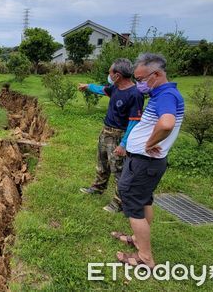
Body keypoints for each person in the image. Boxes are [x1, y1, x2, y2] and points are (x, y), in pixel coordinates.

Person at [112, 53, 184, 268]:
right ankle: (137, 239)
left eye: (141, 80)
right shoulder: (163, 94)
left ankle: (145, 258)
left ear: (156, 75)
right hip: (146, 163)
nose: (138, 84)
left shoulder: (166, 96)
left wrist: (148, 143)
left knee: (133, 203)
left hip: (144, 162)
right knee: (144, 200)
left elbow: (166, 124)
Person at [78, 58, 144, 213]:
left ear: (118, 75)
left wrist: (123, 144)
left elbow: (134, 122)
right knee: (102, 163)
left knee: (119, 169)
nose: (109, 75)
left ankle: (118, 202)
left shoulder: (135, 94)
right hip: (106, 131)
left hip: (119, 135)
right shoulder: (115, 88)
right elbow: (102, 89)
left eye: (110, 72)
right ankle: (97, 188)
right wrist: (88, 86)